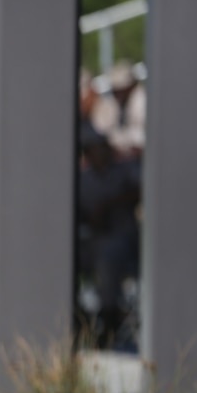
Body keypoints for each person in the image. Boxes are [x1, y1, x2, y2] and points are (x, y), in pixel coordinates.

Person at [77, 122, 141, 347]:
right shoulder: (82, 178)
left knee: (108, 258)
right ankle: (78, 318)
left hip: (122, 241)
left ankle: (109, 320)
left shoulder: (125, 170)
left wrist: (111, 204)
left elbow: (142, 190)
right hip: (90, 241)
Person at [90, 59, 146, 160]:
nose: (116, 93)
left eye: (119, 89)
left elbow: (140, 138)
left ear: (130, 86)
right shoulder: (120, 101)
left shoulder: (141, 101)